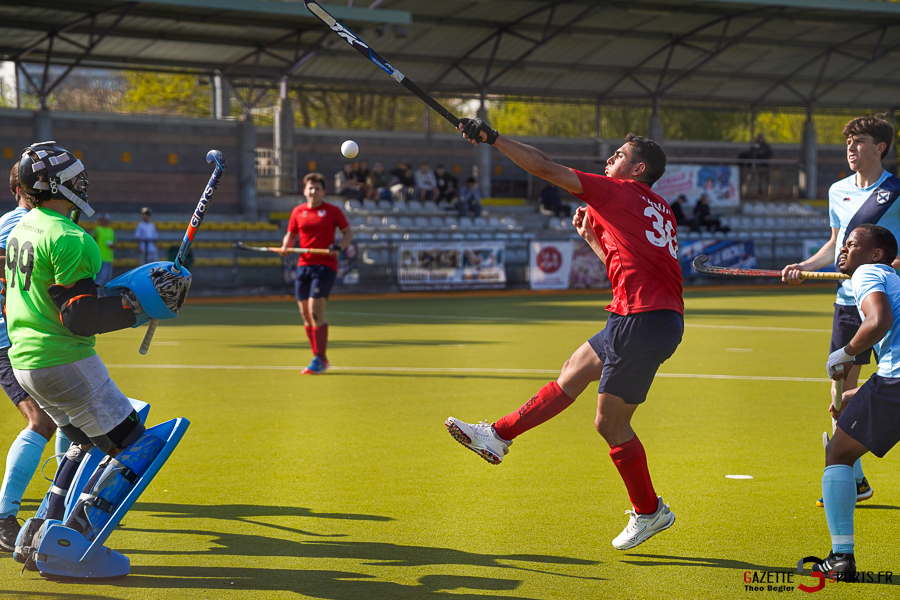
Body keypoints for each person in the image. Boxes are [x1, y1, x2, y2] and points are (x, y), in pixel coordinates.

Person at [447, 120, 683, 550]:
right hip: (638, 315)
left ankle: (650, 512)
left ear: (638, 168)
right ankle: (498, 436)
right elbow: (624, 269)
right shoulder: (654, 205)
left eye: (620, 155)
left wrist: (492, 137)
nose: (610, 158)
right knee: (573, 370)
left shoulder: (618, 191)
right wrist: (593, 238)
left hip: (643, 319)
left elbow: (544, 167)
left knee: (610, 424)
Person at [7, 141, 188, 575]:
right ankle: (74, 538)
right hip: (64, 361)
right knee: (136, 446)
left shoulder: (24, 226)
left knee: (83, 442)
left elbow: (63, 300)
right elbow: (80, 317)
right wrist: (137, 306)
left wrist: (126, 299)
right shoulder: (71, 237)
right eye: (73, 178)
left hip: (25, 362)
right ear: (52, 184)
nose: (81, 184)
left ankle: (41, 531)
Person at [782, 115, 900, 507]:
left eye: (860, 141)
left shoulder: (897, 191)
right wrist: (806, 267)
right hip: (848, 301)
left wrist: (883, 270)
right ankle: (855, 477)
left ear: (880, 147)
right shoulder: (837, 190)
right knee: (840, 391)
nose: (851, 148)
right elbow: (835, 246)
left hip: (888, 302)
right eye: (848, 142)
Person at [803, 223, 900, 580]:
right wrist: (859, 393)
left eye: (853, 244)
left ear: (876, 254)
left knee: (838, 455)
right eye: (843, 244)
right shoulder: (892, 278)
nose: (844, 250)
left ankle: (841, 558)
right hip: (891, 381)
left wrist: (843, 353)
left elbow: (878, 321)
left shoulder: (868, 272)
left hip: (896, 380)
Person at [0, 162, 64, 552]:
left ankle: (58, 502)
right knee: (43, 418)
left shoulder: (43, 227)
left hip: (34, 337)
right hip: (7, 339)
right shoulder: (20, 227)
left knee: (65, 415)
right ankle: (5, 515)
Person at [280, 172, 353, 375]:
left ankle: (320, 358)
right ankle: (319, 357)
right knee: (305, 314)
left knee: (315, 311)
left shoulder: (332, 211)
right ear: (305, 191)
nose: (313, 191)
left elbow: (348, 233)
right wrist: (286, 247)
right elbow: (291, 234)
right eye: (310, 188)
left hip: (325, 265)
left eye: (317, 188)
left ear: (323, 191)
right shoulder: (297, 212)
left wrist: (338, 248)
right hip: (304, 266)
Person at [92, 213, 115, 291]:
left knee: (107, 278)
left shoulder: (110, 230)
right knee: (100, 278)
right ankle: (98, 294)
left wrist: (113, 245)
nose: (106, 222)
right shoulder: (97, 230)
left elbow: (114, 242)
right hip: (100, 258)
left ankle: (103, 294)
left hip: (109, 257)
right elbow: (91, 241)